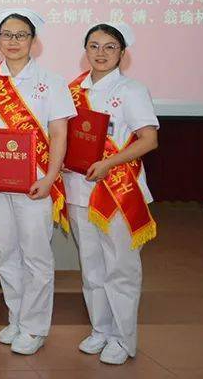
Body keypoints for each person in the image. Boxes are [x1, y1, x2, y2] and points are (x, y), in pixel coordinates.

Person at [0, 8, 76, 356]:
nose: (13, 41)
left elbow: (59, 134)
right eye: (7, 34)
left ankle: (35, 327)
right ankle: (16, 317)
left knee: (35, 255)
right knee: (7, 252)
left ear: (33, 41)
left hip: (35, 183)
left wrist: (50, 176)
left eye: (21, 35)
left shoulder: (51, 81)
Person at [63, 22, 158, 365]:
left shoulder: (132, 90)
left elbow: (149, 139)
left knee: (120, 267)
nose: (100, 53)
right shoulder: (72, 89)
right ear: (85, 50)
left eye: (109, 47)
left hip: (120, 189)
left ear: (122, 53)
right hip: (78, 188)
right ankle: (101, 329)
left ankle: (123, 336)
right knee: (91, 266)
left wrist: (109, 163)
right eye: (94, 46)